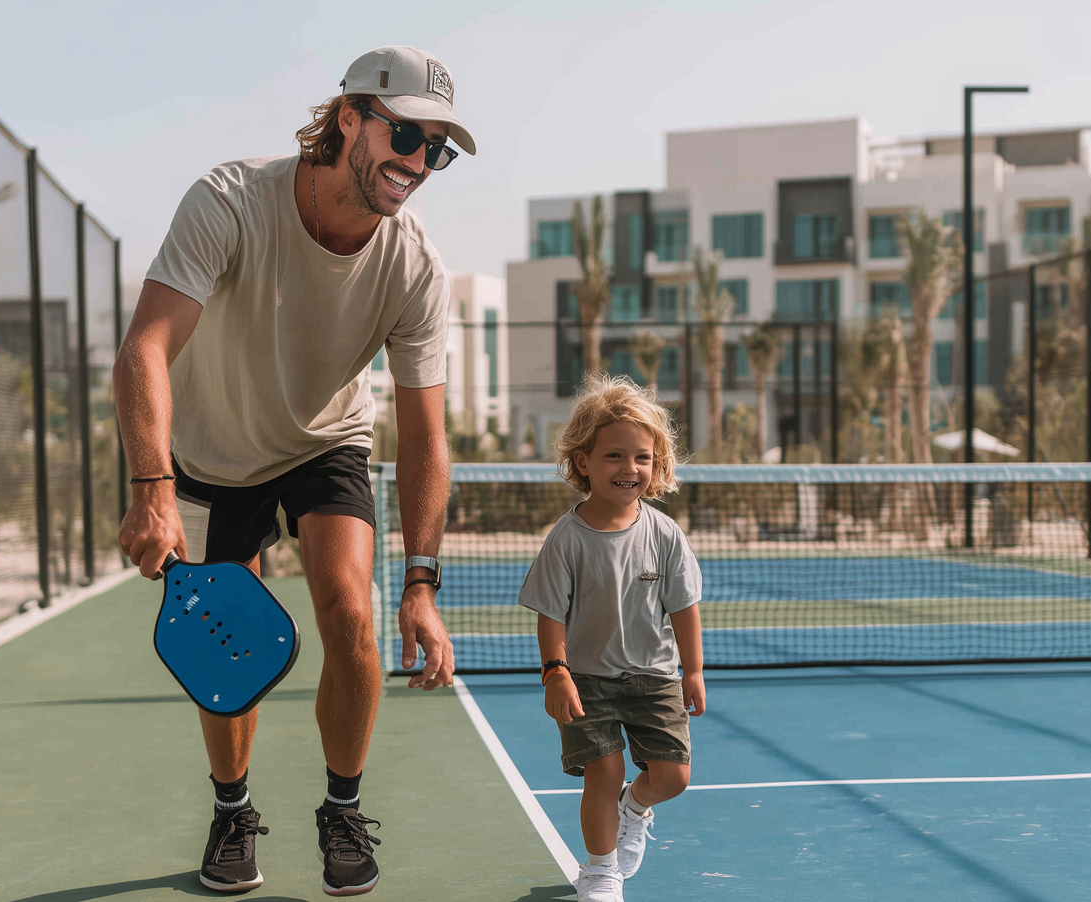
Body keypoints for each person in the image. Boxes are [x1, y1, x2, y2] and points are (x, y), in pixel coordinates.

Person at [113, 45, 475, 897]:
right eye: (408, 136)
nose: (420, 163)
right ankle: (232, 809)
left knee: (351, 611)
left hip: (327, 439)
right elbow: (145, 348)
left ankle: (342, 809)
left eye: (439, 150)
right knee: (223, 649)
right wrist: (151, 487)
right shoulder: (229, 201)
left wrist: (420, 582)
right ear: (350, 116)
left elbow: (426, 436)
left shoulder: (416, 265)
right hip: (210, 451)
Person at [517, 373, 705, 902]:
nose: (630, 469)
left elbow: (684, 607)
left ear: (656, 463)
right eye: (614, 456)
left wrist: (692, 669)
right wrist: (555, 674)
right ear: (583, 462)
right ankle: (600, 872)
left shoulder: (666, 534)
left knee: (673, 777)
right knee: (601, 770)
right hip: (586, 680)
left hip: (654, 676)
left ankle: (635, 806)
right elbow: (550, 615)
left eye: (642, 457)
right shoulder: (565, 539)